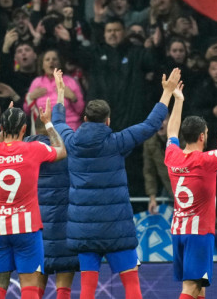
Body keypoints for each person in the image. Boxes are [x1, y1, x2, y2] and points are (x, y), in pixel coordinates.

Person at [55, 67, 181, 299]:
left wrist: (60, 93)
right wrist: (167, 93)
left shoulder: (72, 142)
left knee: (87, 290)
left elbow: (57, 122)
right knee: (132, 287)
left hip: (84, 231)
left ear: (84, 119)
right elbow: (151, 124)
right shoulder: (117, 142)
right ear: (108, 120)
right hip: (117, 230)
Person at [0, 99, 68, 299]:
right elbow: (61, 150)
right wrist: (48, 124)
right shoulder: (34, 149)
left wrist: (6, 124)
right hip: (28, 229)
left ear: (2, 128)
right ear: (25, 129)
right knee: (29, 285)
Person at [164, 84, 217, 299]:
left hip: (179, 229)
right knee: (190, 288)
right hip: (198, 233)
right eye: (207, 133)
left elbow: (171, 131)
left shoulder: (172, 155)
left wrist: (178, 100)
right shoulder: (206, 160)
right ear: (201, 136)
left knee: (200, 287)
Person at [31, 69, 80, 299]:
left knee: (35, 289)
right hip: (65, 227)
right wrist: (60, 94)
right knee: (64, 289)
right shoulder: (70, 150)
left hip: (37, 228)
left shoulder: (26, 151)